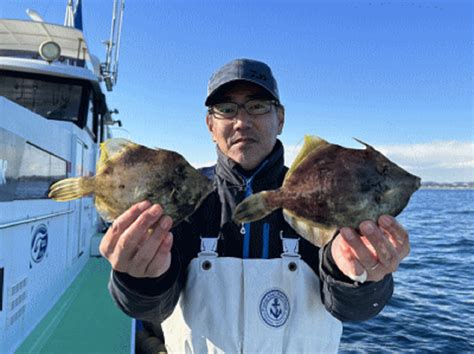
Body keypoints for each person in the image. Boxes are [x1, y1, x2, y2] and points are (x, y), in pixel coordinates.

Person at [100, 58, 410, 353]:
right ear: (210, 125)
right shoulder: (184, 197)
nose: (242, 121)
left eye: (258, 106)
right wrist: (137, 279)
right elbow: (151, 309)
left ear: (281, 119)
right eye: (226, 108)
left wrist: (359, 279)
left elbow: (352, 310)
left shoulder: (324, 197)